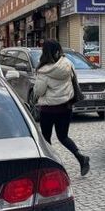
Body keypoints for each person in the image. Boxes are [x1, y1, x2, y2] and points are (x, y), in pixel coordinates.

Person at [33, 39, 90, 176]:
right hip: (65, 108)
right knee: (63, 136)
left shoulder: (43, 71)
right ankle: (81, 157)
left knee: (46, 139)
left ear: (45, 52)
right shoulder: (68, 64)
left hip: (48, 110)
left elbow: (39, 91)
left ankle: (50, 167)